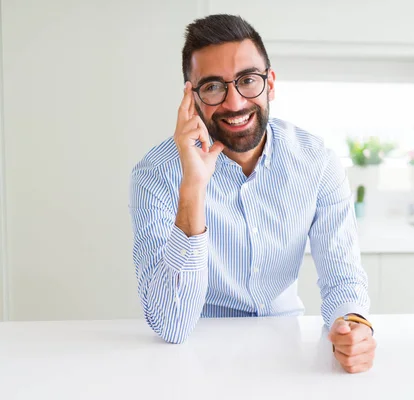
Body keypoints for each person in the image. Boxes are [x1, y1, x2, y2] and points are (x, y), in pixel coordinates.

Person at [129, 14, 376, 373]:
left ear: (270, 83)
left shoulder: (317, 161)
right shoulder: (155, 175)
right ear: (190, 96)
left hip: (289, 352)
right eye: (213, 86)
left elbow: (343, 277)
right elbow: (171, 325)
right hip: (194, 358)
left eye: (247, 80)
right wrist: (194, 188)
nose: (234, 103)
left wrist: (354, 326)